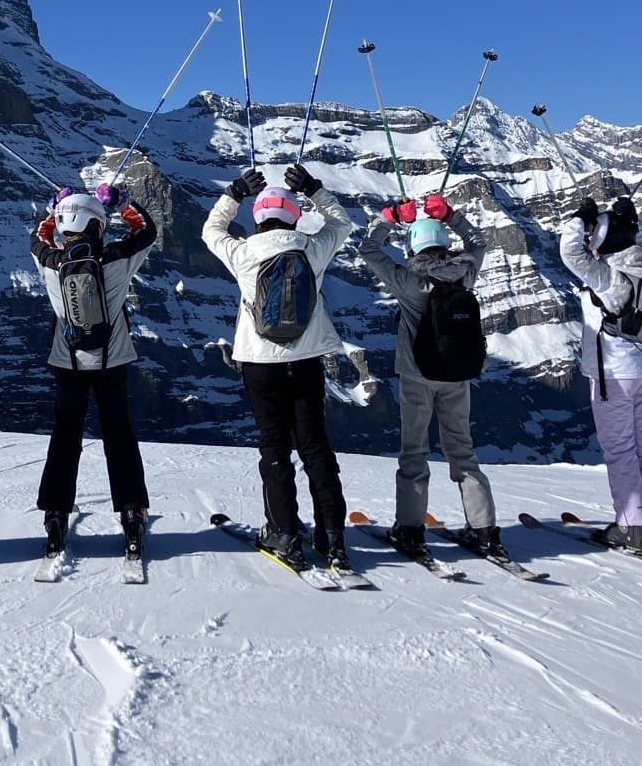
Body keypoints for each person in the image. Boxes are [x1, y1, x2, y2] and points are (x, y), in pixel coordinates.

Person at [201, 163, 355, 571]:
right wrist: (315, 190)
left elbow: (211, 232)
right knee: (315, 446)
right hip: (305, 359)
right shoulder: (311, 248)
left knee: (275, 446)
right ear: (294, 216)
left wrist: (233, 192)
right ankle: (332, 536)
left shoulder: (244, 252)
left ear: (258, 217)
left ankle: (283, 533)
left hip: (259, 361)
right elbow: (342, 223)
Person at [358, 192, 503, 559]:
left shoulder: (408, 282)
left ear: (414, 246)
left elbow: (368, 250)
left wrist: (389, 218)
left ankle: (409, 531)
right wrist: (452, 215)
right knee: (463, 454)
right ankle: (485, 532)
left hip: (416, 376)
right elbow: (479, 241)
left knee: (415, 454)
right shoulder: (465, 273)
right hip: (457, 375)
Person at [29, 185, 157, 559]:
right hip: (111, 360)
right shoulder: (116, 259)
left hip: (66, 362)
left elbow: (39, 237)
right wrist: (122, 204)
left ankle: (55, 514)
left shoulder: (50, 261)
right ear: (98, 225)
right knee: (118, 434)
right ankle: (132, 512)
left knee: (65, 436)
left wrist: (54, 207)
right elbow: (145, 232)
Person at [557, 195, 642, 556]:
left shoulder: (608, 275)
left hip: (613, 373)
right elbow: (634, 241)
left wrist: (581, 219)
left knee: (621, 451)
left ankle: (631, 527)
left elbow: (570, 253)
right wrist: (628, 220)